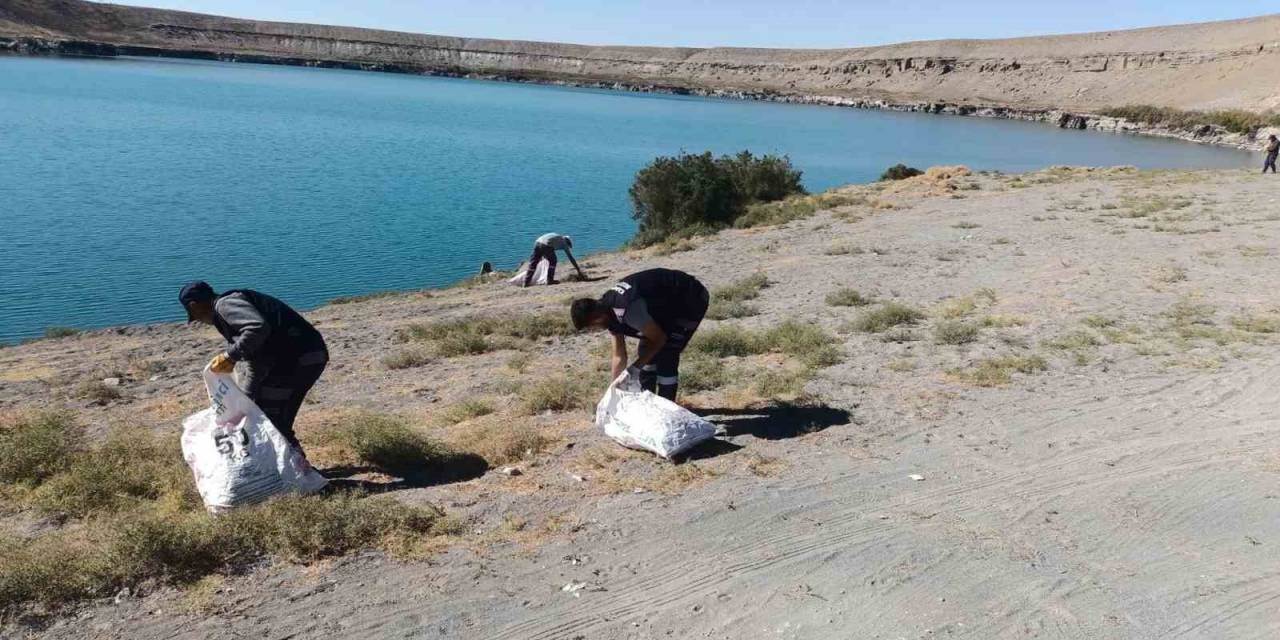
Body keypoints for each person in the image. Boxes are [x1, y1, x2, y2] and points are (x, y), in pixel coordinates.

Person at [178, 281, 328, 453]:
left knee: (271, 419)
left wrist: (230, 356)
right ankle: (297, 471)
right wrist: (247, 397)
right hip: (305, 357)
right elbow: (256, 360)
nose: (198, 320)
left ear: (194, 305)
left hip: (298, 359)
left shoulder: (225, 305)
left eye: (193, 314)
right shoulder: (227, 313)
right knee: (273, 417)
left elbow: (257, 328)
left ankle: (299, 471)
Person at [570, 268, 709, 401]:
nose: (594, 331)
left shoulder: (627, 310)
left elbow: (660, 339)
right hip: (662, 308)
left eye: (591, 328)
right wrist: (613, 389)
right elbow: (619, 356)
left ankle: (667, 405)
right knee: (646, 352)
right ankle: (648, 401)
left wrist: (635, 368)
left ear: (596, 318)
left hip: (690, 298)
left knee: (668, 352)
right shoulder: (606, 311)